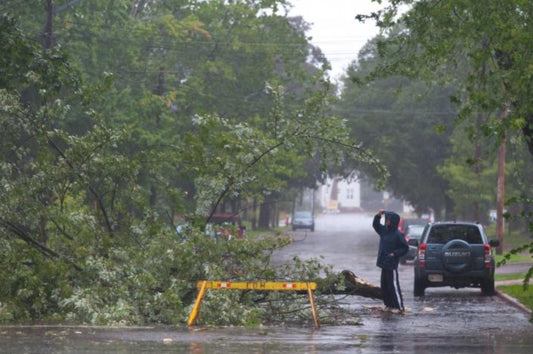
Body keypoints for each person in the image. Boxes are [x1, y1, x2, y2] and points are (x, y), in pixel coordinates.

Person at [372, 209, 409, 313]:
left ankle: (399, 307)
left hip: (391, 264)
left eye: (388, 219)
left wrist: (395, 254)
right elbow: (375, 225)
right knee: (384, 286)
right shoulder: (383, 231)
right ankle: (389, 305)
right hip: (383, 263)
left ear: (392, 221)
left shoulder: (398, 234)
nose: (386, 221)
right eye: (386, 219)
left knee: (393, 285)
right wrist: (378, 215)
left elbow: (404, 248)